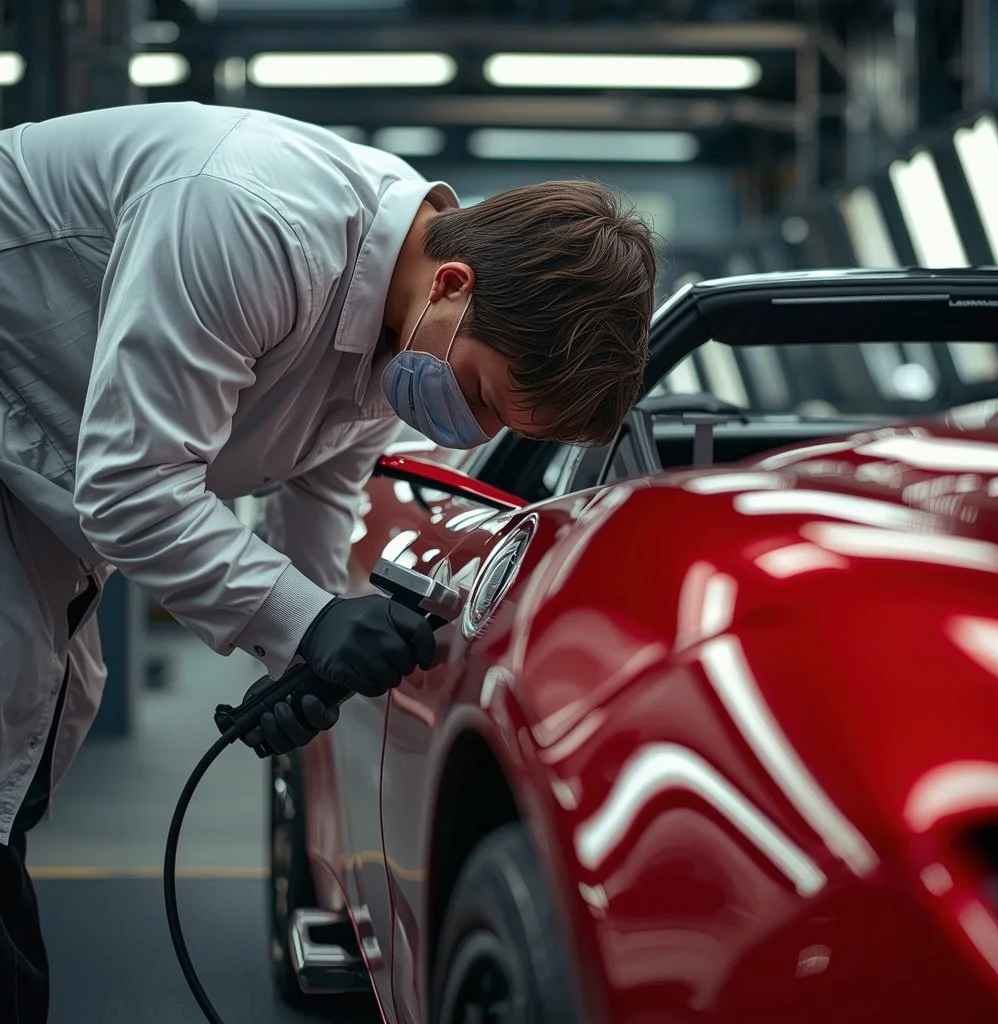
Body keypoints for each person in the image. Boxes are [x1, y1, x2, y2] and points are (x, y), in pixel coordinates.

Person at [0, 100, 656, 1021]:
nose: (472, 426)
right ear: (455, 282)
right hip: (26, 422)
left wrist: (300, 662)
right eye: (480, 394)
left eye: (504, 424)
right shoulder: (249, 220)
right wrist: (305, 620)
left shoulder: (407, 325)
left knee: (21, 756)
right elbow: (129, 486)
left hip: (39, 459)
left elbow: (318, 490)